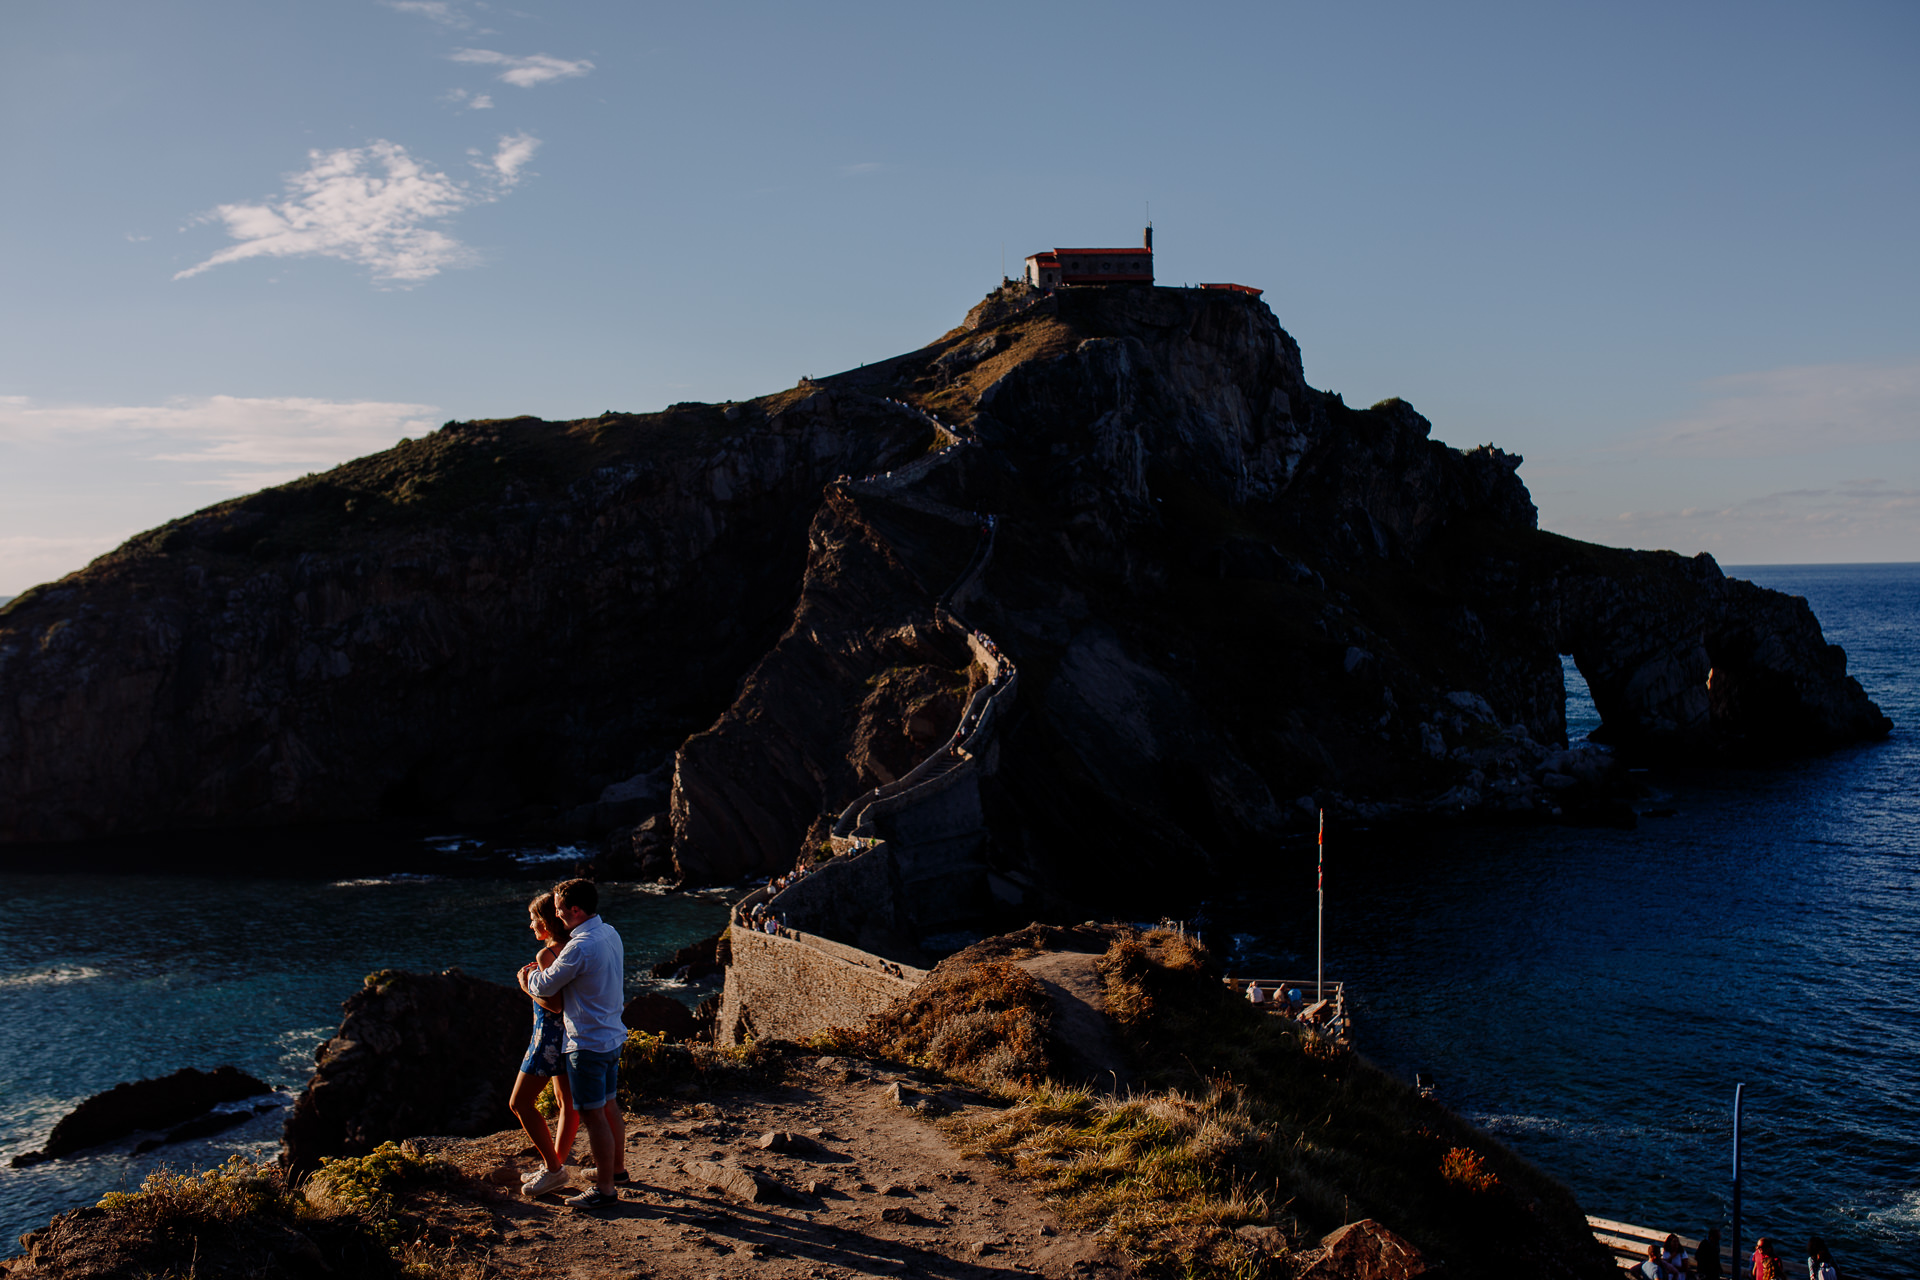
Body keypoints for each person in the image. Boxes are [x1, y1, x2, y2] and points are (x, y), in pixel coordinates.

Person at [525, 877, 627, 1210]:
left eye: (559, 910)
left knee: (593, 1115)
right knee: (610, 1106)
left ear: (575, 909)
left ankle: (605, 1190)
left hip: (587, 1042)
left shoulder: (579, 946)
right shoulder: (609, 932)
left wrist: (524, 979)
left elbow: (545, 986)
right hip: (612, 1035)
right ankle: (616, 1170)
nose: (557, 916)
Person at [508, 892, 581, 1198]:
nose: (530, 925)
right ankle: (555, 1165)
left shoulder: (547, 955)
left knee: (519, 1103)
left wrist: (527, 985)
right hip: (572, 1034)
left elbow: (554, 1003)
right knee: (567, 1105)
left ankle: (553, 1170)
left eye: (534, 919)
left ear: (547, 922)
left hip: (548, 1038)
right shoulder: (575, 947)